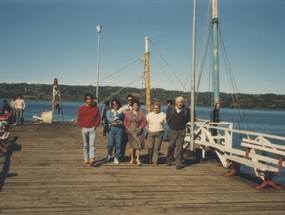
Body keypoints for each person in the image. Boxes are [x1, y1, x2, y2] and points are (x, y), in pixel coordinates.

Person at [166, 96, 191, 170]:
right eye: (178, 102)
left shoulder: (186, 109)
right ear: (176, 103)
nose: (180, 104)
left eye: (181, 102)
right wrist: (170, 125)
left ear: (183, 103)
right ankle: (169, 159)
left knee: (180, 148)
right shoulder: (170, 108)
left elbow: (188, 118)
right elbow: (167, 118)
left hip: (182, 130)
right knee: (171, 146)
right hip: (172, 129)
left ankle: (178, 163)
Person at [77, 93, 101, 165]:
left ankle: (92, 158)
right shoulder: (82, 108)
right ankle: (86, 158)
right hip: (84, 129)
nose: (89, 100)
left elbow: (98, 118)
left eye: (90, 99)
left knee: (92, 144)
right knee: (85, 144)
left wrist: (95, 126)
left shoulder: (96, 108)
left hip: (92, 129)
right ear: (85, 100)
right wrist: (82, 127)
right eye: (87, 99)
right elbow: (79, 119)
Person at [124, 99, 146, 166]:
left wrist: (141, 127)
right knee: (131, 146)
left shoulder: (141, 113)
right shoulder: (128, 113)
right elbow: (125, 121)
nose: (135, 106)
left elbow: (144, 121)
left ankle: (138, 159)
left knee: (138, 145)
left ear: (138, 106)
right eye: (134, 105)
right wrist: (127, 128)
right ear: (132, 106)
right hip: (131, 130)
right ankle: (131, 159)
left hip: (139, 130)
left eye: (136, 105)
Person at [146, 101, 166, 166]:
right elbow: (146, 122)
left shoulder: (163, 114)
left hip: (159, 133)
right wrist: (148, 128)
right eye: (155, 108)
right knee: (150, 147)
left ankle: (155, 161)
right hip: (151, 132)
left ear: (159, 108)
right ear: (153, 108)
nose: (156, 109)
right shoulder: (149, 114)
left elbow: (165, 122)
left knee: (156, 148)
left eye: (157, 108)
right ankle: (149, 159)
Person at [106, 98, 124, 164]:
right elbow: (109, 119)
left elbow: (122, 121)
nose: (115, 105)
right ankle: (109, 154)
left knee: (118, 144)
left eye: (116, 104)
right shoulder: (109, 111)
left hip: (119, 129)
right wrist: (117, 121)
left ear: (118, 105)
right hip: (111, 129)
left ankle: (116, 157)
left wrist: (115, 121)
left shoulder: (121, 112)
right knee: (110, 144)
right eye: (113, 104)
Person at [119, 94, 134, 161]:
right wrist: (122, 111)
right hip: (125, 128)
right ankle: (122, 157)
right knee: (123, 144)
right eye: (129, 100)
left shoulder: (136, 108)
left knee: (133, 144)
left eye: (131, 100)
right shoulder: (124, 107)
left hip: (133, 128)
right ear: (127, 101)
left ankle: (132, 157)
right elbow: (119, 111)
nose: (130, 101)